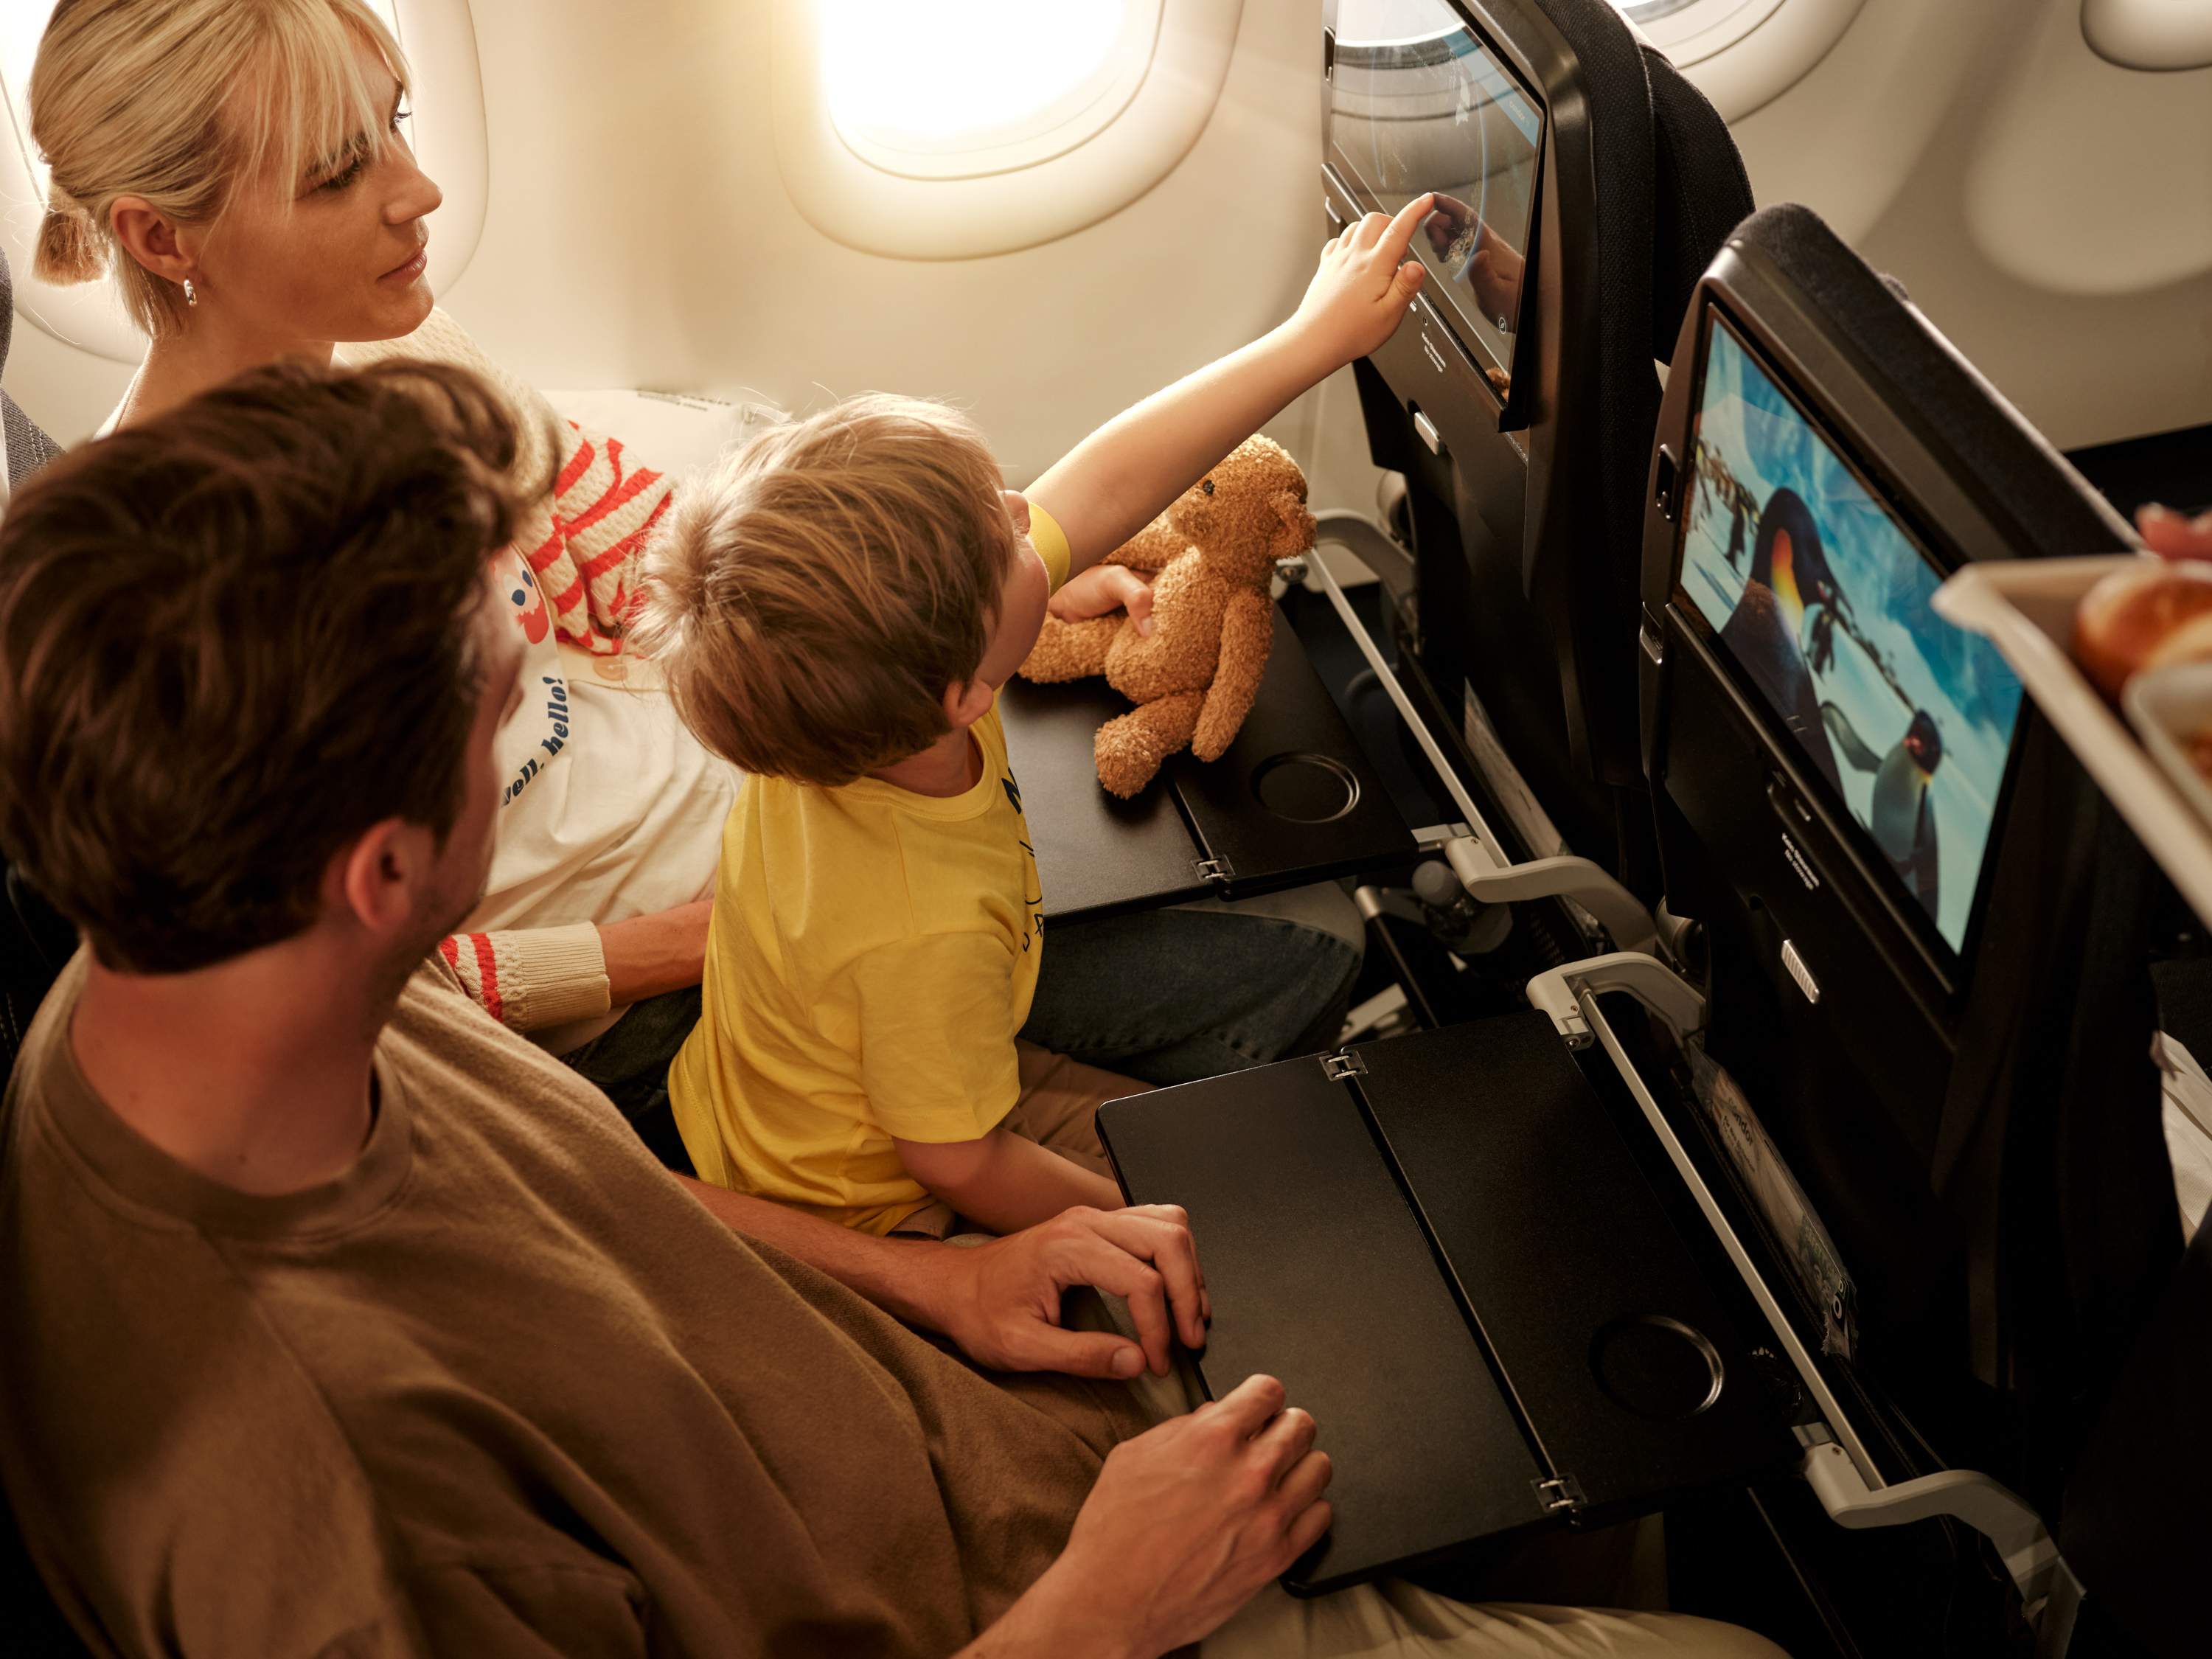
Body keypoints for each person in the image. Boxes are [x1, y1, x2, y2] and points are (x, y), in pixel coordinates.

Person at [0, 357, 1791, 1659]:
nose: (535, 716)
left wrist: (934, 1275)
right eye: (502, 709)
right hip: (1007, 1595)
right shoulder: (324, 1527)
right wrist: (1100, 1611)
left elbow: (602, 1211)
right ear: (388, 869)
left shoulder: (217, 970)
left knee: (1562, 1420)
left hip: (932, 1383)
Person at [23, 0, 1363, 1135]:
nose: (415, 192)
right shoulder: (170, 612)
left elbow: (639, 542)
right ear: (161, 236)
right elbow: (368, 997)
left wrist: (927, 581)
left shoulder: (390, 353)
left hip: (753, 766)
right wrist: (673, 945)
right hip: (659, 962)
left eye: (400, 123)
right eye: (336, 171)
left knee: (1239, 816)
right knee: (1283, 972)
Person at [632, 202, 1434, 1237]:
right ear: (966, 693)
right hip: (866, 1190)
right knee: (1232, 1211)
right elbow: (956, 1159)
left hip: (793, 1084)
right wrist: (1130, 1216)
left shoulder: (836, 714)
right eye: (1006, 544)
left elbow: (1104, 479)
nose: (1024, 513)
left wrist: (1311, 338)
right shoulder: (919, 925)